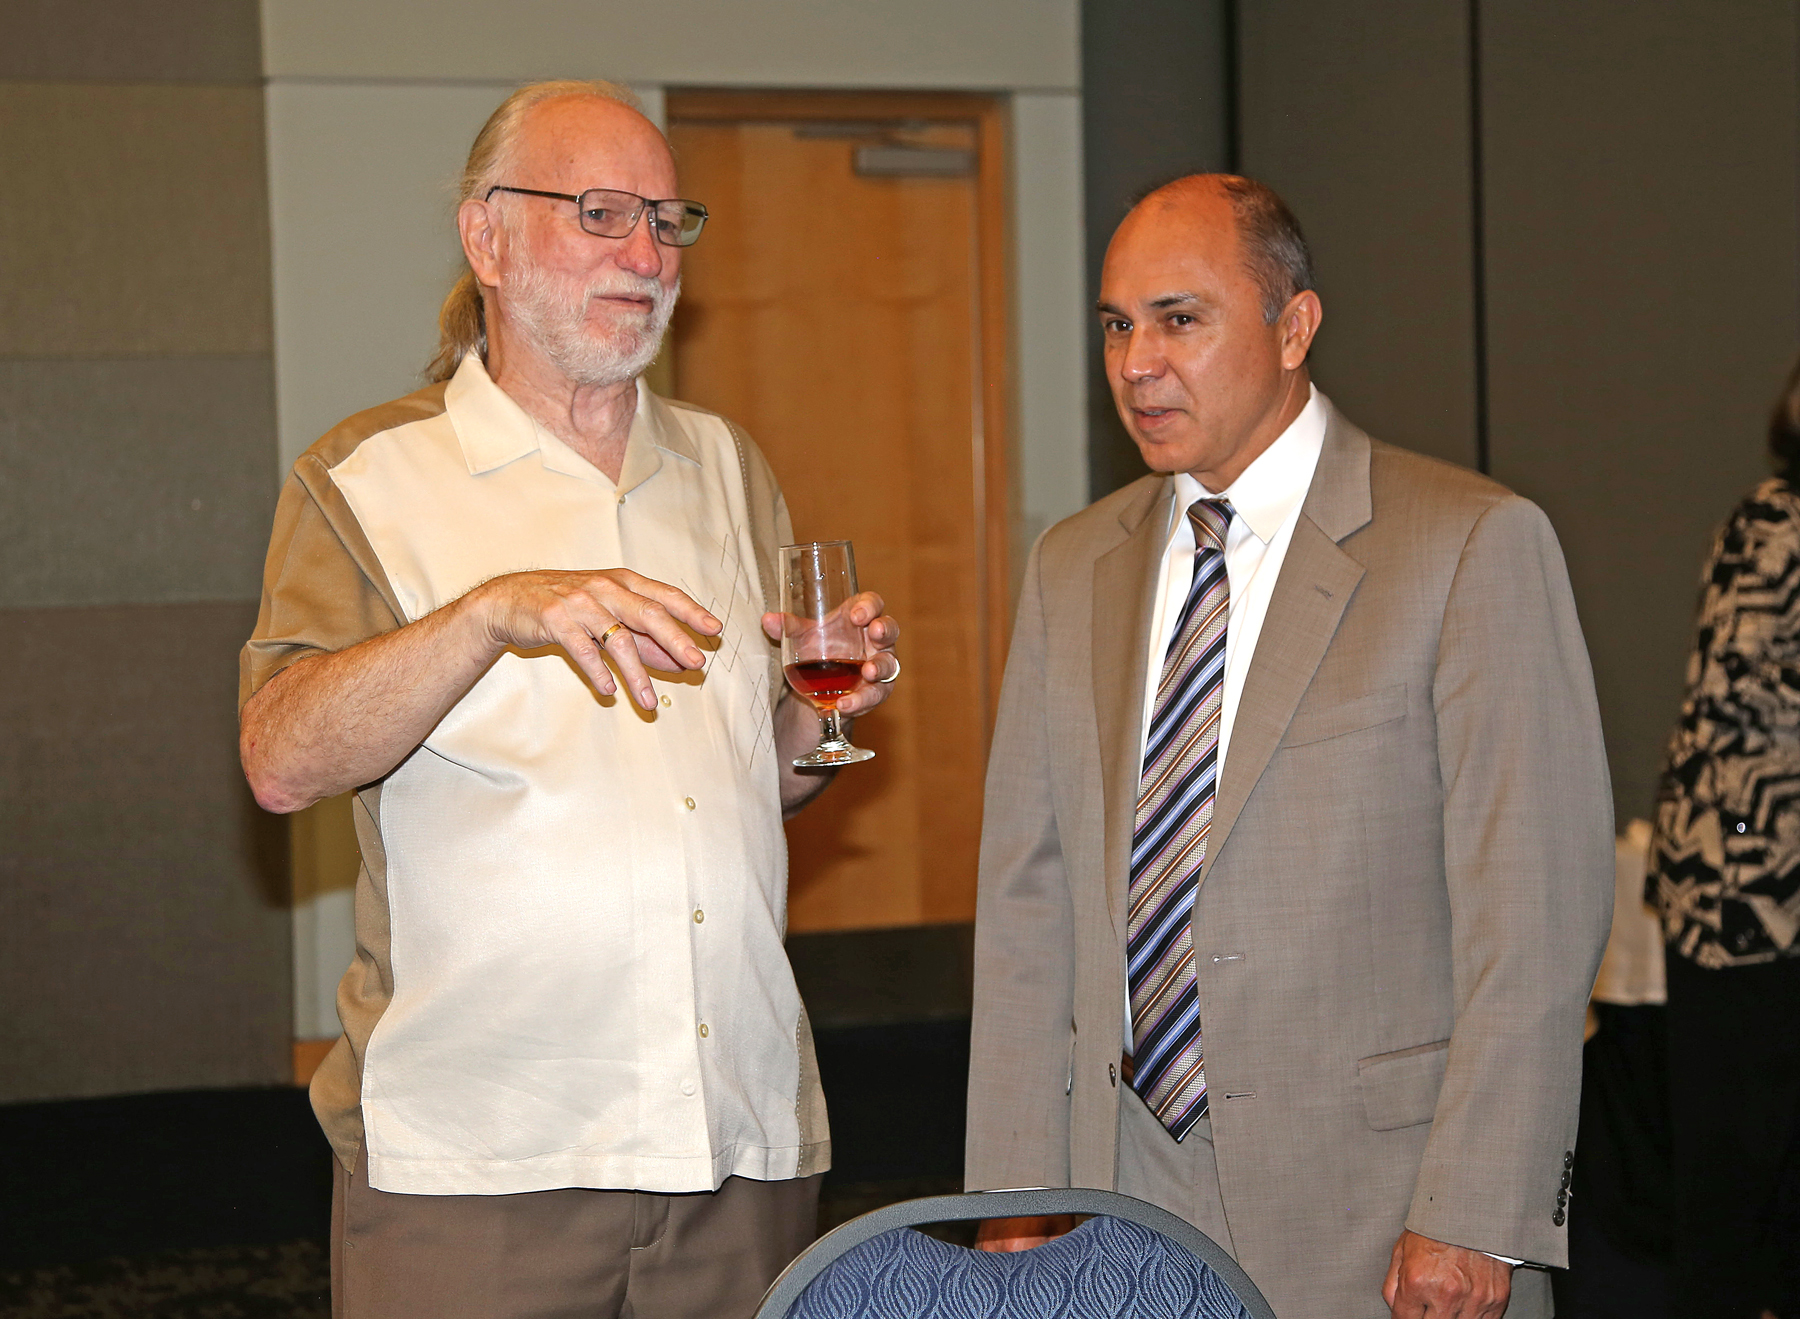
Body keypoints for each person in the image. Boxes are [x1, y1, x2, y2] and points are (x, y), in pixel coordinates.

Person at [237, 80, 900, 1319]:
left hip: (734, 1142)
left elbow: (752, 779)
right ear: (488, 239)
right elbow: (280, 755)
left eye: (667, 220)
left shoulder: (725, 466)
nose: (646, 255)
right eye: (600, 214)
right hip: (481, 1158)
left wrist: (819, 715)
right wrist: (490, 612)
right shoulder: (370, 474)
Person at [962, 174, 1613, 1319]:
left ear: (1294, 326)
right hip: (1110, 1196)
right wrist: (1016, 1191)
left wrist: (1472, 1209)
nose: (1135, 362)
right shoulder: (1072, 565)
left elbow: (1537, 916)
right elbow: (1030, 903)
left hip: (1377, 1208)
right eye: (1117, 325)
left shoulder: (1468, 544)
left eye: (1180, 318)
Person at [1649, 353, 1800, 1319]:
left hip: (1745, 889)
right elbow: (1742, 698)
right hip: (1746, 896)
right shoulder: (1776, 522)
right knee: (1736, 1175)